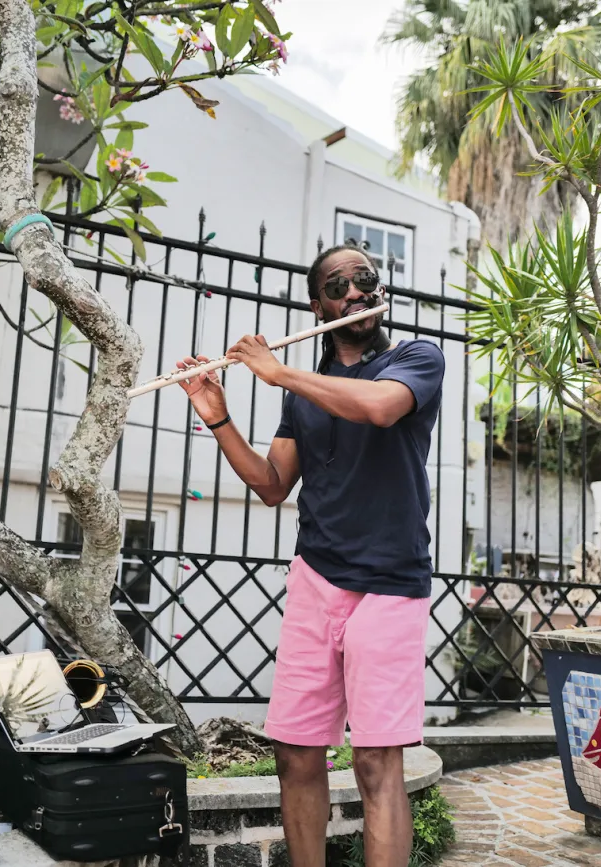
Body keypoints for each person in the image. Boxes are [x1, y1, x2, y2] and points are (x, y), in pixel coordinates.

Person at [174, 242, 445, 867]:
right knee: (295, 752)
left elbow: (379, 409)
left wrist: (279, 371)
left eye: (364, 280)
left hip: (390, 582)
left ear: (378, 290)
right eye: (337, 285)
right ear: (316, 302)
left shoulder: (415, 359)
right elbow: (272, 484)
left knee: (379, 758)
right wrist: (218, 418)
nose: (354, 292)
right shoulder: (303, 395)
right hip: (317, 579)